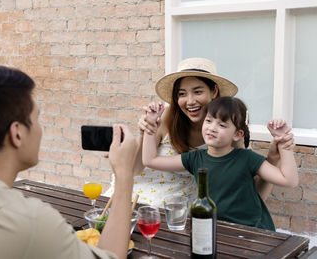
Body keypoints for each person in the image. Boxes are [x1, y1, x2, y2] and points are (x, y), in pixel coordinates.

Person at [0, 65, 139, 259]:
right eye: (37, 119)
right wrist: (124, 173)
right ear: (17, 133)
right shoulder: (30, 221)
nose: (40, 129)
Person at [105, 57, 294, 207]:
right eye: (181, 94)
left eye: (197, 91)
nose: (189, 101)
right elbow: (136, 169)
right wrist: (145, 132)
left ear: (213, 91)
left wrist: (274, 158)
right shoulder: (165, 116)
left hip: (180, 201)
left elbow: (249, 191)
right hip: (140, 190)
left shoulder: (230, 126)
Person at [142, 96, 298, 230]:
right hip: (217, 230)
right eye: (208, 121)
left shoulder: (247, 158)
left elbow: (289, 180)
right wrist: (151, 126)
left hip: (253, 231)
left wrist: (284, 144)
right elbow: (150, 160)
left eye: (222, 125)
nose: (212, 128)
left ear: (237, 134)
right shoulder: (195, 158)